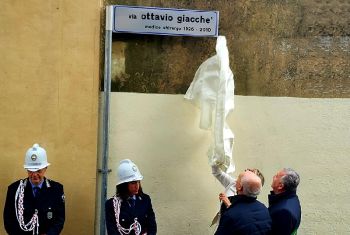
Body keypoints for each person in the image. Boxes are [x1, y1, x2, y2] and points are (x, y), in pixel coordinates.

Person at [3, 143, 65, 235]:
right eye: (31, 171)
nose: (34, 175)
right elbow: (8, 219)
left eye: (38, 171)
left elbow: (60, 219)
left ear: (45, 168)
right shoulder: (14, 189)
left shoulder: (56, 189)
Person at [105, 159, 157, 235]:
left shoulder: (145, 199)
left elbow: (152, 225)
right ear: (124, 185)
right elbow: (112, 230)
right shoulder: (111, 204)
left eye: (138, 182)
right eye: (133, 183)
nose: (137, 186)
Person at [214, 170, 271, 235]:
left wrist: (229, 208)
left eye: (238, 178)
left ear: (239, 187)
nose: (235, 181)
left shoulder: (231, 215)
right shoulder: (265, 209)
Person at [268, 168, 301, 235]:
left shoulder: (284, 212)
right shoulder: (293, 199)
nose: (273, 177)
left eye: (276, 176)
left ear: (280, 186)